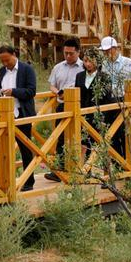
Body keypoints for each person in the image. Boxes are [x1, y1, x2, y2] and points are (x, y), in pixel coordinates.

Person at [0, 44, 38, 192]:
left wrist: (13, 92)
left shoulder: (27, 69)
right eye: (2, 61)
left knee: (25, 149)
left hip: (22, 114)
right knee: (1, 149)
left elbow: (31, 91)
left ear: (14, 54)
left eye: (7, 60)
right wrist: (1, 92)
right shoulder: (1, 72)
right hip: (4, 116)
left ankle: (28, 180)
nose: (5, 63)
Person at [45, 38, 86, 182]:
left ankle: (84, 169)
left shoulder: (84, 67)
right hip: (61, 105)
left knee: (81, 137)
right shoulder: (58, 67)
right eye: (66, 53)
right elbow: (51, 85)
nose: (68, 56)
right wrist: (57, 92)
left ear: (78, 52)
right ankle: (59, 170)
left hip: (80, 106)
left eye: (71, 53)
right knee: (60, 138)